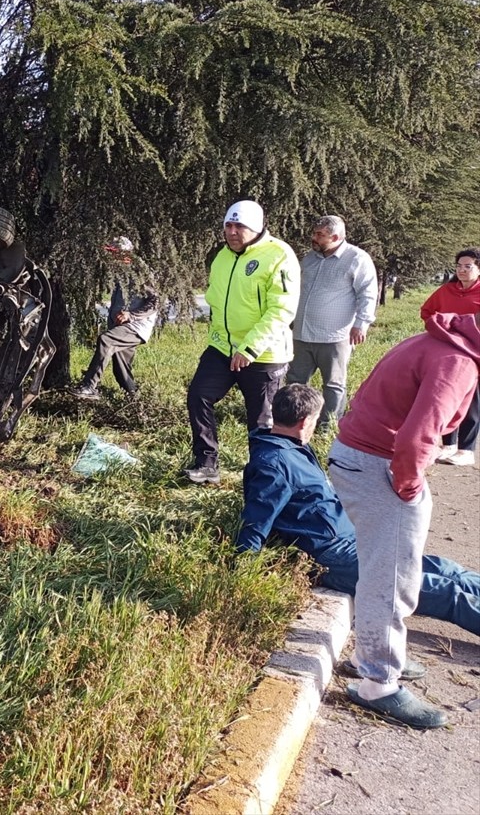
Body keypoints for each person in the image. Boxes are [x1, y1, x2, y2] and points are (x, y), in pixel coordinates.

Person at [328, 311, 480, 729]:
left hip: (362, 455)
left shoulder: (440, 340)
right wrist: (410, 486)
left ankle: (371, 654)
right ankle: (378, 682)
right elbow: (418, 437)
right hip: (381, 463)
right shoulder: (458, 363)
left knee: (389, 566)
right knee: (391, 574)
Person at [236, 383, 479, 643]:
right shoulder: (274, 463)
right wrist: (243, 573)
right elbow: (256, 519)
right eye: (317, 420)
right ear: (306, 421)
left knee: (448, 570)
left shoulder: (292, 447)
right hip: (331, 554)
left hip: (355, 539)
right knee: (445, 592)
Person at [184, 200, 299, 484]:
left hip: (264, 353)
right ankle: (206, 463)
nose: (232, 232)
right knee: (198, 395)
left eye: (240, 226)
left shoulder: (279, 255)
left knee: (261, 419)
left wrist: (250, 347)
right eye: (228, 225)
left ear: (257, 228)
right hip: (223, 348)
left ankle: (263, 476)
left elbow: (281, 309)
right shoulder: (222, 256)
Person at [287, 216, 377, 432]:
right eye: (314, 232)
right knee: (294, 381)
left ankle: (328, 426)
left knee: (333, 385)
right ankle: (293, 421)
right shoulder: (310, 258)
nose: (313, 237)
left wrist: (361, 323)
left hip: (335, 336)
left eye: (320, 235)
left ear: (336, 237)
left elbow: (368, 293)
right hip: (302, 333)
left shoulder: (356, 258)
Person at [70, 236, 159, 399]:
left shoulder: (141, 273)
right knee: (121, 369)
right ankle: (136, 402)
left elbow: (155, 302)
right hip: (121, 326)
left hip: (136, 327)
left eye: (113, 253)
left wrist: (131, 315)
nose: (110, 257)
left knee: (106, 340)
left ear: (125, 254)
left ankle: (89, 386)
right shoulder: (119, 272)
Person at [420, 247, 480, 467]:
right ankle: (449, 444)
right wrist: (439, 329)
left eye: (468, 266)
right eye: (459, 266)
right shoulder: (447, 290)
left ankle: (466, 448)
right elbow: (427, 312)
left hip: (474, 353)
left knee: (471, 399)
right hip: (447, 352)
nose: (462, 270)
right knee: (446, 395)